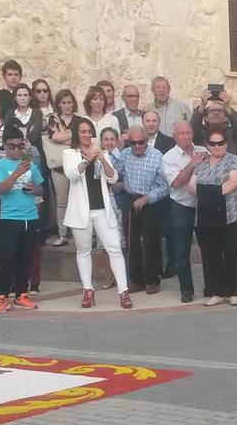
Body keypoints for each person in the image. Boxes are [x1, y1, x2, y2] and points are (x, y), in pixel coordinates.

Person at [63, 117, 130, 309]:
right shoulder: (69, 153)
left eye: (89, 132)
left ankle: (123, 291)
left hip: (102, 209)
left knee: (114, 248)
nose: (87, 135)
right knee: (83, 251)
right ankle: (87, 290)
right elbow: (72, 174)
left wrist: (102, 158)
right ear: (77, 134)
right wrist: (88, 159)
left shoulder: (101, 153)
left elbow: (113, 178)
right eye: (83, 132)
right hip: (80, 211)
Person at [189, 129, 237, 306]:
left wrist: (205, 192)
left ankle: (233, 292)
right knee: (211, 256)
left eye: (220, 143)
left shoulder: (233, 160)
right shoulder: (202, 162)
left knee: (231, 255)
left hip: (229, 215)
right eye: (213, 143)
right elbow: (190, 186)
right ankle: (217, 292)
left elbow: (234, 182)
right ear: (207, 145)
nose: (217, 146)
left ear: (226, 144)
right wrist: (213, 192)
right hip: (206, 217)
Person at [0, 128, 43, 313]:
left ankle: (21, 294)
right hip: (10, 218)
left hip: (30, 216)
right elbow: (0, 189)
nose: (16, 150)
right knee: (7, 258)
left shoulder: (30, 164)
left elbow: (41, 189)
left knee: (25, 258)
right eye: (12, 146)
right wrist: (16, 174)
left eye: (20, 146)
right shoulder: (0, 165)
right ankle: (2, 296)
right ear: (4, 146)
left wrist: (33, 188)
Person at [112, 125, 167, 297]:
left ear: (147, 140)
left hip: (149, 200)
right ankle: (136, 279)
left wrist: (147, 198)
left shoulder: (157, 156)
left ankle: (152, 279)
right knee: (132, 240)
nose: (137, 146)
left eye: (140, 142)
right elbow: (112, 171)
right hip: (130, 198)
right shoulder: (126, 154)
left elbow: (165, 185)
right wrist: (118, 147)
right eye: (133, 142)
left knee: (151, 241)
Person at [161, 121, 201, 302]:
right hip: (181, 207)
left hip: (203, 206)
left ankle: (212, 287)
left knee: (208, 248)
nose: (186, 136)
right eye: (182, 133)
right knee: (182, 251)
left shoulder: (203, 150)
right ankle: (186, 290)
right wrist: (192, 164)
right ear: (175, 136)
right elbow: (176, 182)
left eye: (189, 133)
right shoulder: (169, 157)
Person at [42, 89, 78, 247]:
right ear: (58, 104)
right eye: (63, 102)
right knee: (62, 201)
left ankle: (78, 233)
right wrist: (73, 135)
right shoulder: (53, 119)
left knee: (79, 200)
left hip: (77, 167)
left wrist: (62, 139)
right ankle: (62, 234)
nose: (67, 105)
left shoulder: (79, 120)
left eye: (69, 102)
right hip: (59, 166)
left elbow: (83, 138)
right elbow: (54, 136)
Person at [0, 59, 23, 124]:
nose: (13, 78)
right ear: (4, 77)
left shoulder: (27, 94)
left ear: (20, 77)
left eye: (16, 74)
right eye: (10, 74)